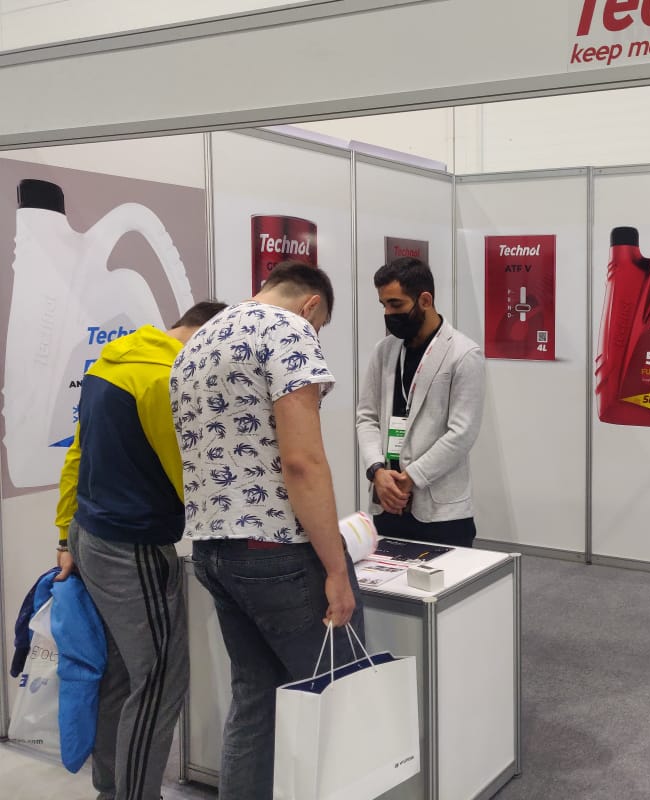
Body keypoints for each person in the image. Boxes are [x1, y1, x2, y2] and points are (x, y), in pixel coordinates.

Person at [170, 262, 362, 800]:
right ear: (311, 305)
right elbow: (302, 462)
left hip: (213, 551)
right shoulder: (289, 329)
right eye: (320, 325)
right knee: (340, 697)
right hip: (278, 550)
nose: (316, 334)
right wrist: (335, 567)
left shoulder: (197, 341)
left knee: (255, 699)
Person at [55, 299, 228, 800]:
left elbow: (77, 454)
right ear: (205, 336)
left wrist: (64, 535)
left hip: (89, 534)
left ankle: (113, 789)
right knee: (159, 680)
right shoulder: (166, 379)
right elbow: (186, 473)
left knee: (121, 673)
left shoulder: (111, 362)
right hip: (132, 548)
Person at [356, 257, 485, 547]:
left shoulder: (464, 354)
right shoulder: (384, 351)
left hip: (440, 511)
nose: (388, 313)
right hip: (388, 501)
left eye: (396, 304)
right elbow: (367, 417)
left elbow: (462, 433)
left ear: (425, 300)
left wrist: (411, 477)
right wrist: (377, 471)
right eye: (383, 305)